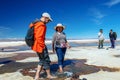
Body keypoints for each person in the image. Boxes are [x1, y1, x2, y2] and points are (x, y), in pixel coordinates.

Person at [29, 12, 55, 80]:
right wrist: (43, 46)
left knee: (42, 60)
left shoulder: (35, 24)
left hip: (36, 46)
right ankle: (48, 75)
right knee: (46, 60)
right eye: (48, 20)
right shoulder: (41, 25)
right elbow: (39, 37)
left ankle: (37, 76)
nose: (48, 22)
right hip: (40, 46)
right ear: (45, 18)